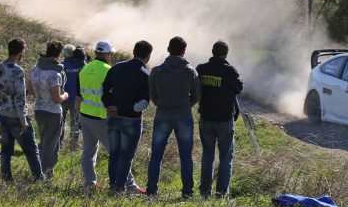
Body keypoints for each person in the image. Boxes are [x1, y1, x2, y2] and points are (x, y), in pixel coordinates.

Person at [76, 40, 143, 192]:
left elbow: (78, 97)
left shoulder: (84, 69)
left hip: (85, 116)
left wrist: (79, 117)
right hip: (102, 119)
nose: (111, 56)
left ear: (95, 53)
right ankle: (130, 185)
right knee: (118, 153)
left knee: (88, 152)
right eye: (110, 54)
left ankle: (90, 184)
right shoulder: (110, 70)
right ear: (106, 54)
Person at [146, 36, 200, 197]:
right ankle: (187, 192)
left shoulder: (156, 70)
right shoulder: (191, 71)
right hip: (183, 115)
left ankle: (152, 190)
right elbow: (196, 96)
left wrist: (162, 104)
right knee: (186, 156)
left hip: (162, 114)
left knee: (156, 155)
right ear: (184, 51)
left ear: (168, 50)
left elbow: (152, 95)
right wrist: (184, 105)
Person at [0, 38, 45, 181]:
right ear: (21, 52)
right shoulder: (17, 71)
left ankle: (7, 179)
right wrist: (23, 119)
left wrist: (4, 97)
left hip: (3, 113)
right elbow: (21, 98)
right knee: (31, 150)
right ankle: (39, 179)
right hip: (16, 116)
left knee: (6, 149)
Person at [102, 40, 152, 192]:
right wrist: (123, 109)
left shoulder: (117, 67)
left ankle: (112, 185)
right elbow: (143, 104)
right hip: (131, 121)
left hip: (112, 118)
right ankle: (119, 188)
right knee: (126, 157)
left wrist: (110, 106)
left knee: (114, 154)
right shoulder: (145, 75)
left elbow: (103, 89)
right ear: (148, 56)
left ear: (134, 51)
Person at [196, 40, 243, 198]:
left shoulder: (201, 69)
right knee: (225, 157)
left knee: (207, 155)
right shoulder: (230, 71)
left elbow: (195, 89)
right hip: (224, 120)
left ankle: (204, 192)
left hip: (206, 118)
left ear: (212, 52)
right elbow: (240, 88)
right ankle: (221, 193)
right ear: (226, 54)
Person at [28, 41, 67, 178]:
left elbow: (30, 89)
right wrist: (65, 95)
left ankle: (39, 168)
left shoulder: (35, 69)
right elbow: (57, 99)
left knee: (44, 141)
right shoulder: (54, 74)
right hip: (53, 112)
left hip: (39, 109)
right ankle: (44, 173)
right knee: (52, 144)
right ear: (59, 54)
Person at [60, 44, 84, 148]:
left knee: (60, 122)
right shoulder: (80, 65)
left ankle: (59, 143)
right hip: (76, 100)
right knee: (75, 124)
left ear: (64, 53)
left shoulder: (61, 65)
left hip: (63, 98)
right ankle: (73, 145)